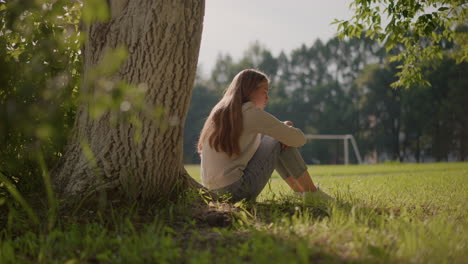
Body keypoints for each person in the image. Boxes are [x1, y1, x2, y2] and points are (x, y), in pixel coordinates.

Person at [197, 69, 332, 205]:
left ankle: (301, 193)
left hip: (213, 193)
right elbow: (299, 139)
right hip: (236, 191)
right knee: (280, 139)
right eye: (265, 92)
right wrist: (285, 129)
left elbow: (261, 142)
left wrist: (281, 130)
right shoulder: (250, 113)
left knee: (277, 139)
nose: (267, 98)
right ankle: (312, 193)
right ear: (250, 91)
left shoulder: (221, 112)